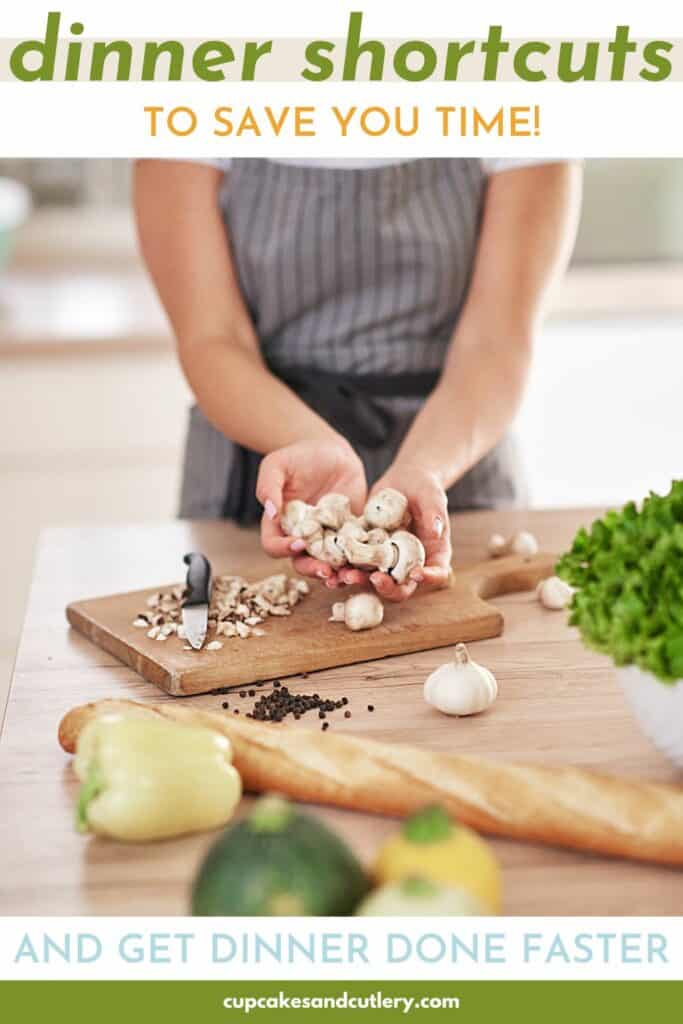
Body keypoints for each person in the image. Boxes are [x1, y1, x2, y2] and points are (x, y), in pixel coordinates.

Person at [135, 157, 581, 601]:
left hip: (457, 465)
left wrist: (424, 468)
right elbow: (213, 339)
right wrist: (304, 439)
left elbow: (495, 343)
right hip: (257, 467)